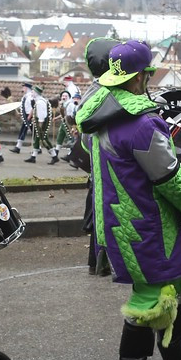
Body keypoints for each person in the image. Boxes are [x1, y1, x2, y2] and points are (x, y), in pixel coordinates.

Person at [76, 40, 181, 360]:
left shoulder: (98, 117)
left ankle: (177, 359)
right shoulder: (141, 125)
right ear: (142, 78)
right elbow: (171, 178)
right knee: (150, 296)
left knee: (174, 286)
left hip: (124, 222)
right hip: (144, 227)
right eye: (149, 74)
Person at [78, 37, 118, 277]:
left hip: (98, 166)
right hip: (107, 166)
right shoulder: (105, 94)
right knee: (107, 214)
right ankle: (104, 261)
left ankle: (98, 262)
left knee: (101, 213)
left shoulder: (93, 90)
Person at [25, 84, 59, 165]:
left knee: (44, 140)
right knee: (37, 139)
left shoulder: (40, 102)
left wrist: (39, 125)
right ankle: (33, 157)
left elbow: (41, 115)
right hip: (40, 122)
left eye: (33, 92)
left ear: (36, 93)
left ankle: (54, 156)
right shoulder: (39, 101)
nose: (31, 93)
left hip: (42, 123)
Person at [10, 82, 34, 154]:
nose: (22, 89)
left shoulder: (30, 97)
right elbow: (25, 107)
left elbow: (32, 108)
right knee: (23, 130)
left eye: (23, 87)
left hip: (30, 116)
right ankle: (18, 147)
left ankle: (38, 148)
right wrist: (21, 113)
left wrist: (29, 117)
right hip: (26, 115)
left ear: (26, 88)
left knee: (34, 133)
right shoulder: (25, 97)